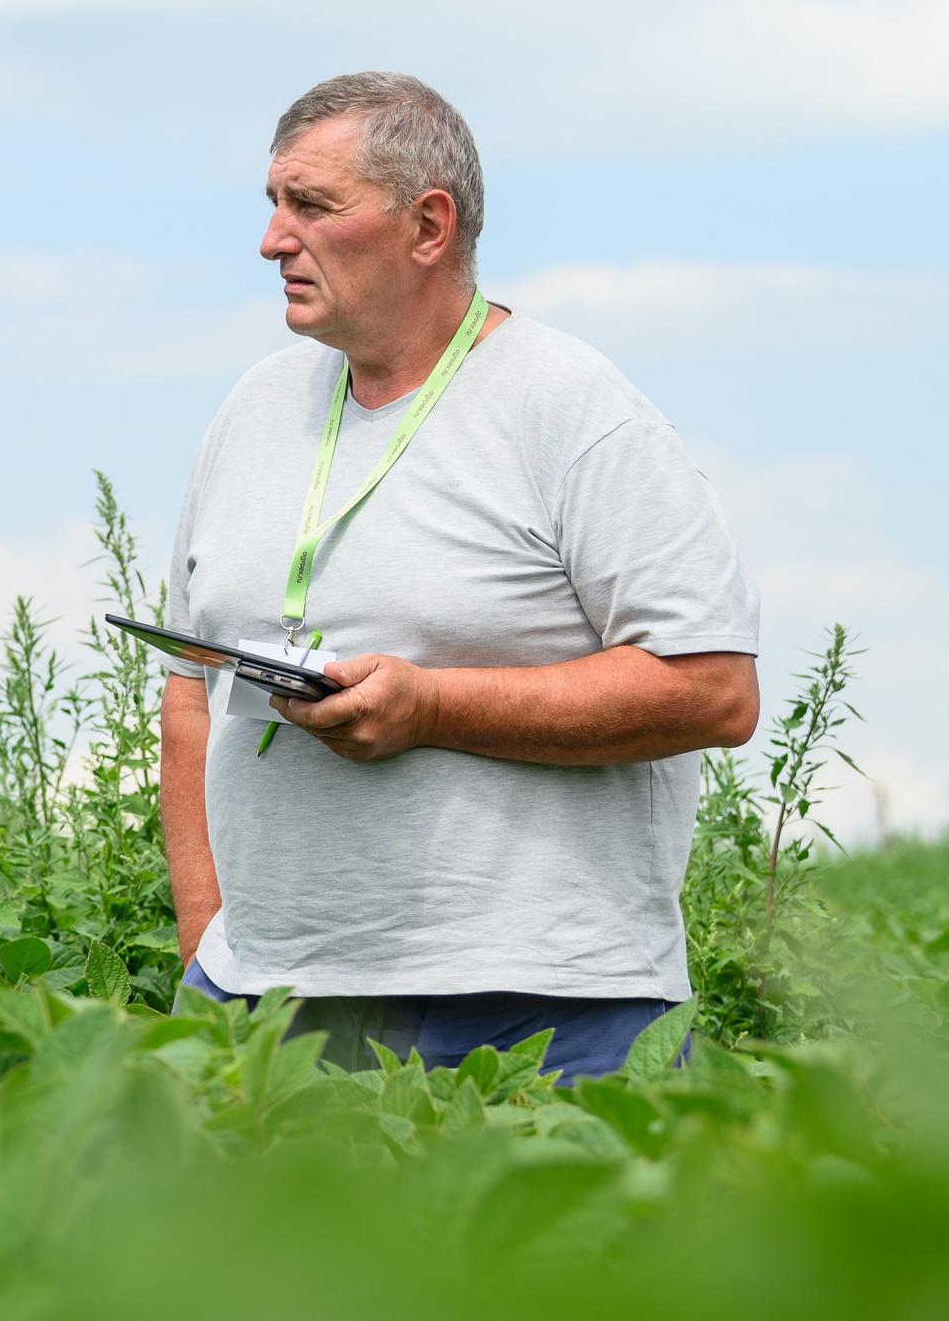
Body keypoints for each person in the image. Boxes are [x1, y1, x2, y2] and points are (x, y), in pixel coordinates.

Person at [158, 71, 759, 1084]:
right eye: (271, 202)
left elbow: (713, 689)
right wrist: (208, 948)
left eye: (312, 205)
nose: (271, 239)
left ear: (427, 226)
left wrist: (433, 706)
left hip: (551, 1015)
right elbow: (190, 689)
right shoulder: (253, 410)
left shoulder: (571, 407)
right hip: (269, 1011)